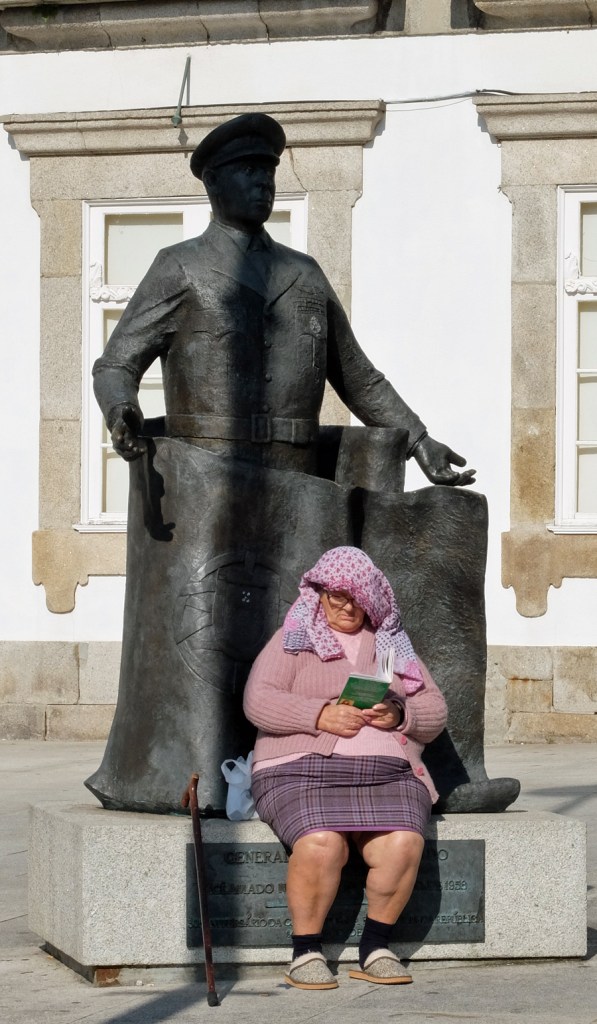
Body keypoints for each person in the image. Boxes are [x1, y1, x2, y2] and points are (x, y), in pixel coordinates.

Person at [92, 112, 475, 487]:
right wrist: (121, 409)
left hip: (297, 477)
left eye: (269, 172)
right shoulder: (180, 266)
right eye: (248, 171)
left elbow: (359, 379)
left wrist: (420, 442)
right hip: (207, 481)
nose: (264, 183)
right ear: (212, 181)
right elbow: (116, 365)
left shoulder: (304, 273)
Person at [243, 546, 448, 990]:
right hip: (301, 769)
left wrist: (401, 716)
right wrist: (318, 715)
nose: (346, 607)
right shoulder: (293, 638)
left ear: (372, 600)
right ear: (318, 594)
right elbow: (258, 701)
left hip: (388, 774)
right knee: (321, 844)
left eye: (355, 599)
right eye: (336, 598)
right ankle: (306, 952)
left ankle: (376, 947)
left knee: (403, 843)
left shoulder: (389, 645)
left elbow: (433, 707)